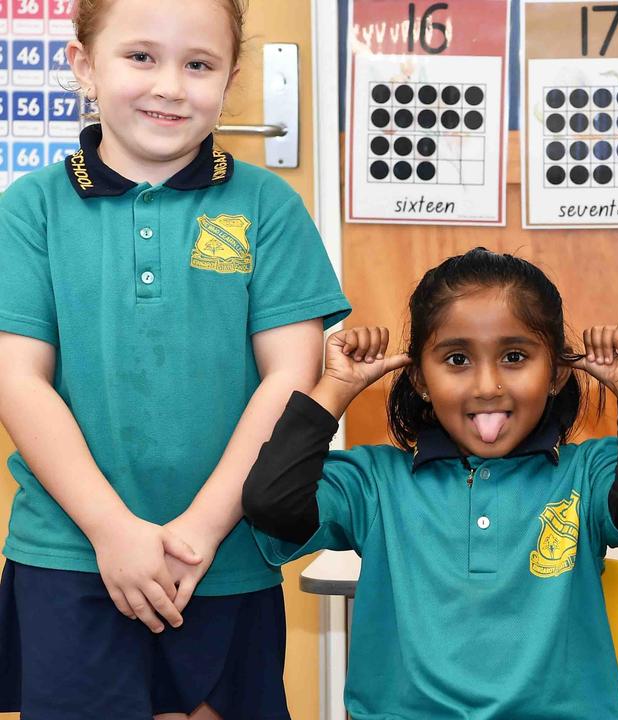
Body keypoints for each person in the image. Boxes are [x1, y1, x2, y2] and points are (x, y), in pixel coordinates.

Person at [0, 0, 349, 716]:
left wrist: (199, 528)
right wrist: (110, 528)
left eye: (198, 64)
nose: (170, 85)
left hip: (223, 560)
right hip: (67, 556)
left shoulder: (269, 208)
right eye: (140, 57)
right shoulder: (28, 209)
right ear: (82, 66)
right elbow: (15, 379)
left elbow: (291, 376)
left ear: (232, 77)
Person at [242, 247, 618, 719]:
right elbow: (271, 502)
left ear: (557, 373)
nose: (486, 386)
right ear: (419, 378)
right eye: (457, 359)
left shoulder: (587, 471)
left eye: (515, 356)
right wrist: (334, 389)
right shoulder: (374, 481)